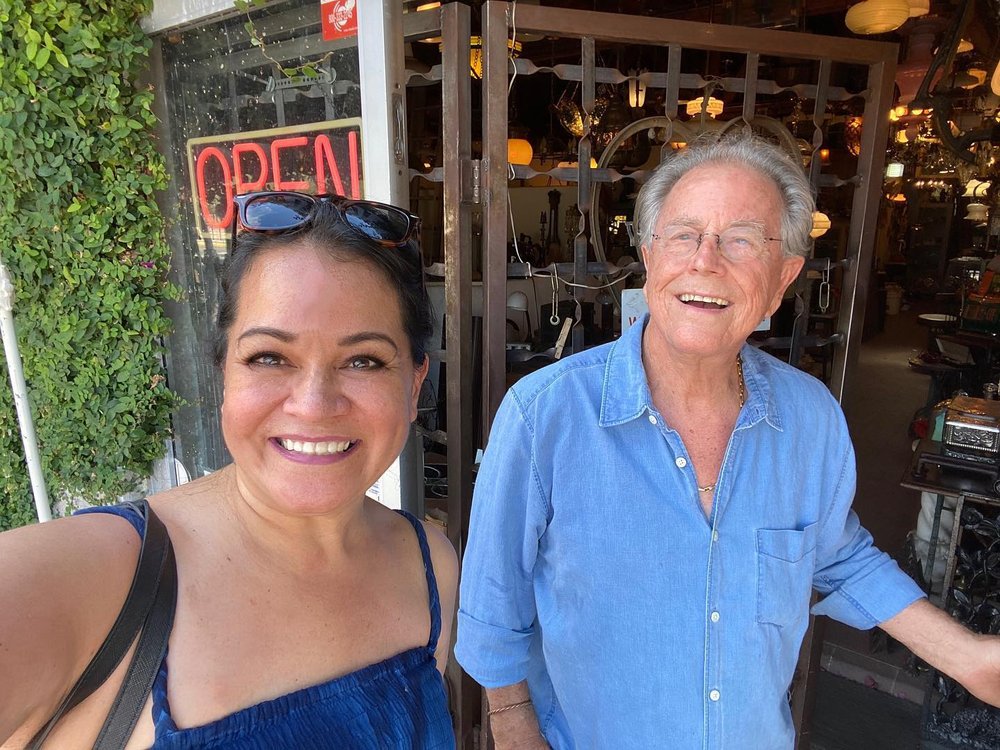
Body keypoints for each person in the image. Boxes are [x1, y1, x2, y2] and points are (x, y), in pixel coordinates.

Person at [454, 134, 1000, 748]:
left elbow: (839, 557)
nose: (705, 261)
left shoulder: (810, 418)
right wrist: (512, 725)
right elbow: (494, 597)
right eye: (683, 234)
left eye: (742, 239)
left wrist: (969, 657)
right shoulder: (544, 415)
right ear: (650, 255)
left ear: (782, 278)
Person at [0, 192, 458, 748]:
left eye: (364, 360)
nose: (314, 405)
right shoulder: (92, 582)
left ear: (413, 385)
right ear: (224, 374)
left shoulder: (431, 566)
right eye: (269, 357)